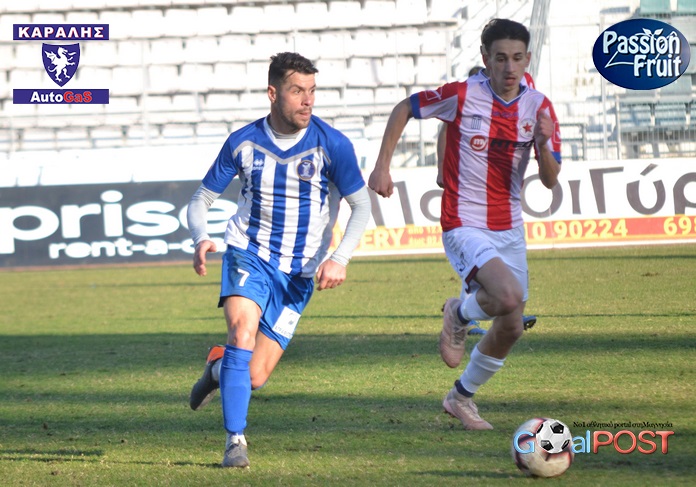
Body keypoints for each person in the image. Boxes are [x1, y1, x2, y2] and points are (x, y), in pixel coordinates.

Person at [368, 19, 561, 430]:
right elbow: (405, 108)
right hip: (463, 220)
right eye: (500, 58)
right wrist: (383, 166)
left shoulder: (540, 107)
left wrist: (543, 144)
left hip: (509, 225)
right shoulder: (462, 95)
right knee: (507, 296)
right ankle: (459, 313)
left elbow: (549, 179)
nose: (509, 67)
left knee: (511, 325)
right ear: (485, 59)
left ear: (527, 58)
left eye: (517, 58)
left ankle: (460, 398)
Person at [186, 52, 371, 467]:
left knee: (253, 375)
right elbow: (201, 199)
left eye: (312, 91)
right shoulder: (243, 142)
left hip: (298, 274)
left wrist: (340, 258)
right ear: (273, 93)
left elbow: (361, 206)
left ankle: (216, 370)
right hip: (248, 253)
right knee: (241, 333)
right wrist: (201, 237)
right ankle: (235, 442)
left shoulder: (332, 145)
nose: (307, 100)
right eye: (297, 91)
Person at [436, 64, 538, 337]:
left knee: (492, 257)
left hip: (496, 200)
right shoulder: (460, 108)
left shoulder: (498, 111)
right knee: (478, 258)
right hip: (467, 202)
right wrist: (442, 169)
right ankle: (465, 315)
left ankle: (502, 310)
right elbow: (444, 133)